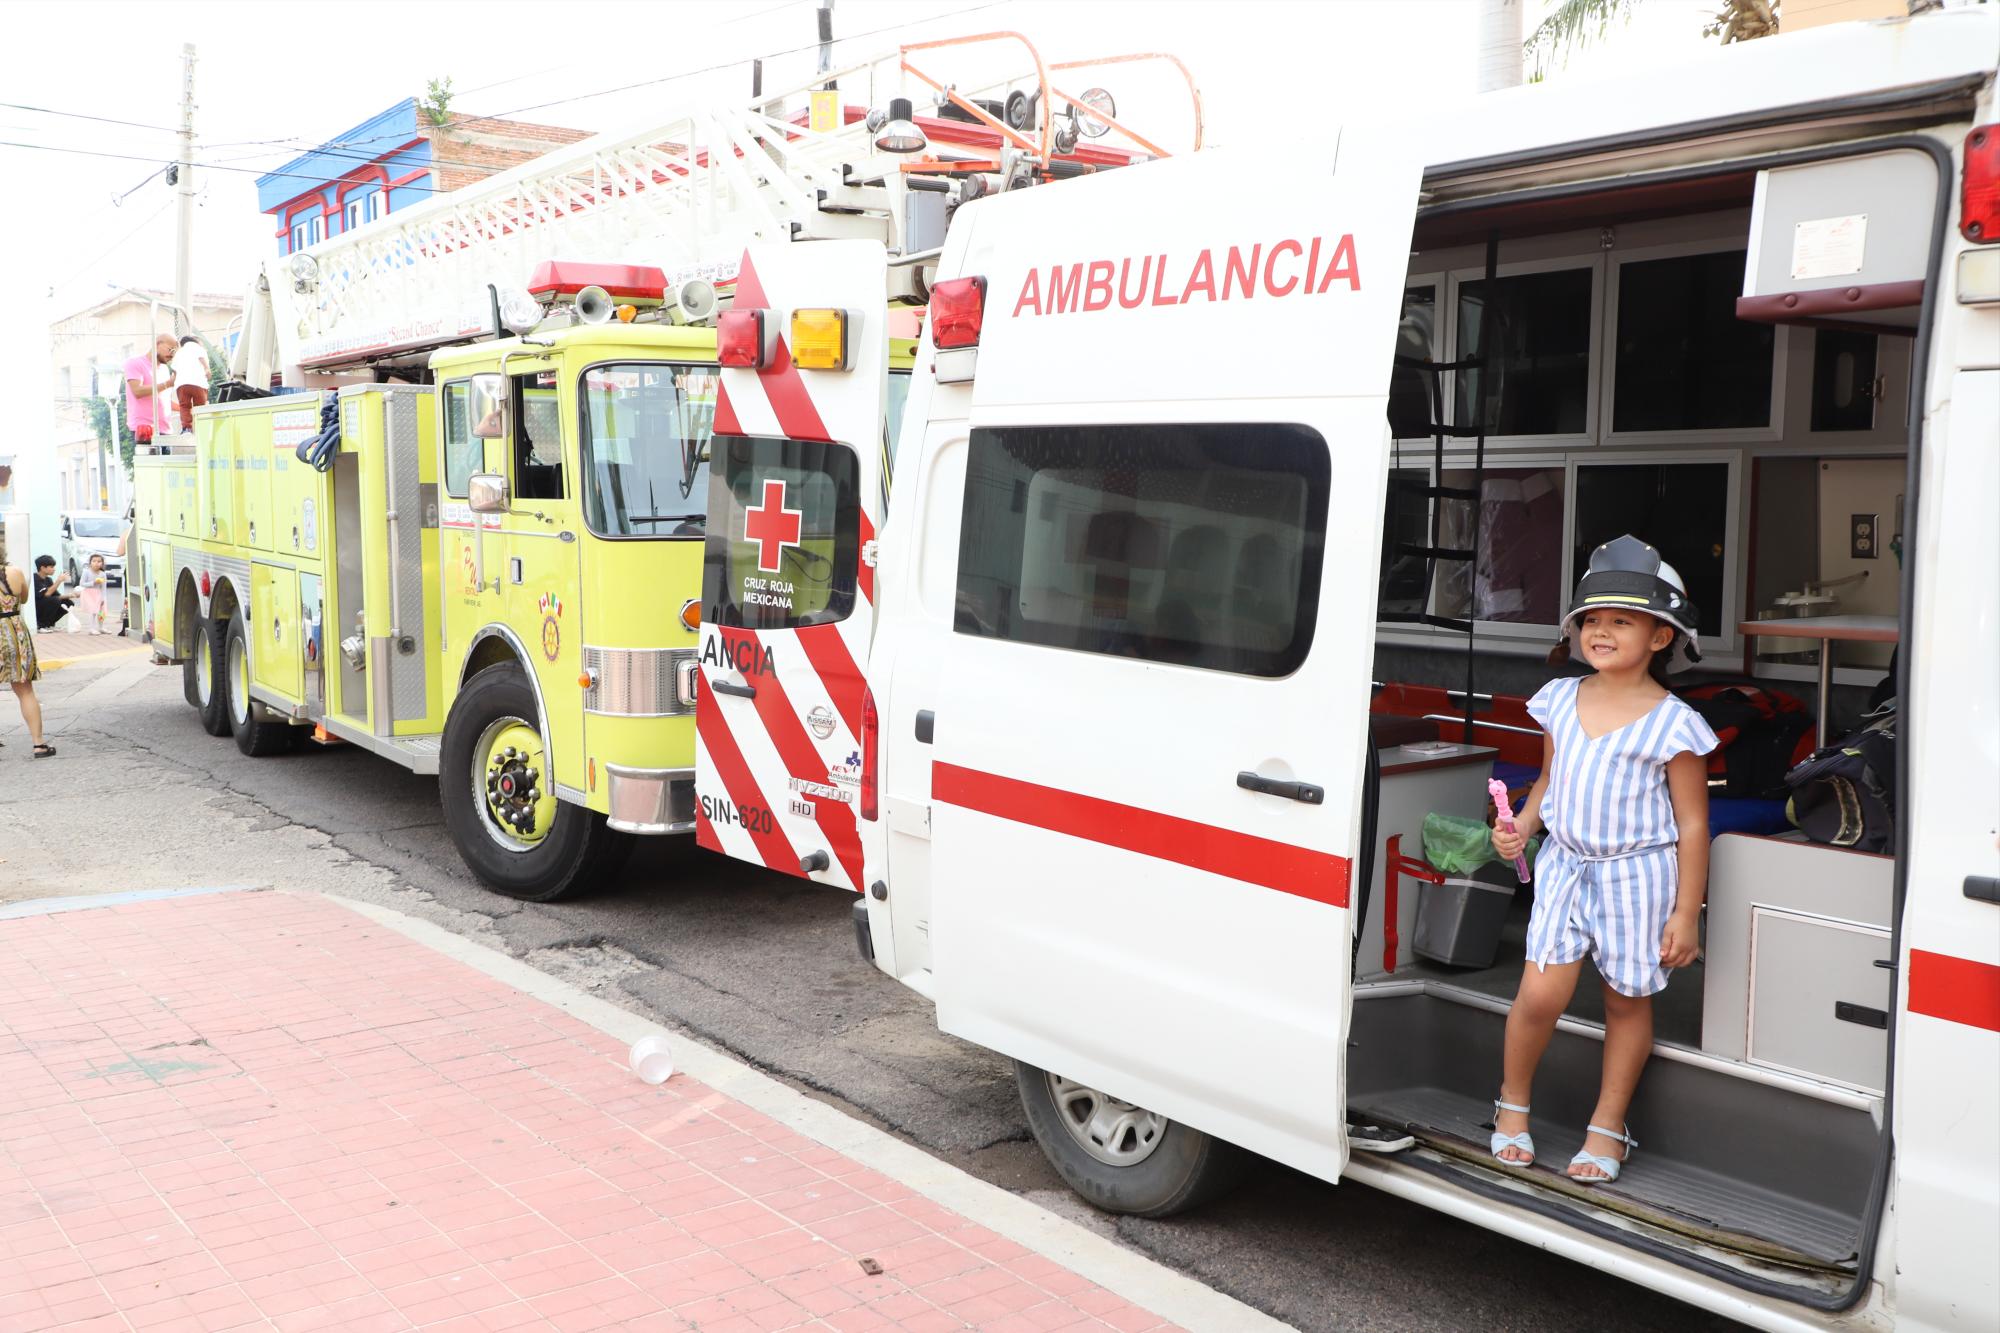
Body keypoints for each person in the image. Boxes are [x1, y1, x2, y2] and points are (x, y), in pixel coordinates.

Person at [1488, 535, 1718, 1183]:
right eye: (1592, 619)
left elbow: (1693, 825)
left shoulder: (1675, 723)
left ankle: (1607, 1125)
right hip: (1564, 865)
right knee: (1540, 994)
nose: (1601, 631)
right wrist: (1522, 826)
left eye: (1622, 620)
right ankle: (1511, 1105)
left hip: (1638, 875)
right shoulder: (1559, 698)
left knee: (1625, 1002)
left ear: (1661, 636)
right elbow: (1548, 781)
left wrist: (1687, 914)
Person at [3, 556, 55, 757]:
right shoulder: (14, 572)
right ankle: (39, 744)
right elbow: (23, 599)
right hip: (13, 630)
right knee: (25, 690)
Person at [124, 332, 179, 448]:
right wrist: (168, 384)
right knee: (151, 460)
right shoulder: (135, 363)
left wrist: (186, 408)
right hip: (145, 429)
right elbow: (137, 391)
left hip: (166, 430)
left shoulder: (164, 369)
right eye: (170, 350)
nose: (172, 355)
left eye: (175, 352)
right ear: (157, 344)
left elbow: (163, 400)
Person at [171, 335, 209, 433]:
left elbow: (174, 370)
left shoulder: (179, 352)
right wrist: (207, 369)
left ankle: (186, 428)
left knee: (184, 406)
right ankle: (201, 427)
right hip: (198, 383)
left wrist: (173, 382)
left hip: (182, 384)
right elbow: (201, 358)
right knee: (200, 406)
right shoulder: (198, 348)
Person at [32, 555, 77, 632]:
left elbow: (57, 596)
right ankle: (41, 625)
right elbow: (46, 594)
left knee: (68, 603)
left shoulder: (48, 580)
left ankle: (49, 624)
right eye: (51, 567)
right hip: (38, 607)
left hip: (47, 603)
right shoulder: (35, 578)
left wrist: (72, 595)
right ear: (42, 568)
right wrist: (59, 581)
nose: (54, 569)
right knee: (55, 600)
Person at [74, 553, 111, 635]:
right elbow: (82, 583)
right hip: (89, 594)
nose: (96, 563)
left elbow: (103, 587)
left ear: (102, 563)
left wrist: (103, 598)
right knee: (93, 611)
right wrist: (93, 582)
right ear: (90, 563)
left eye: (99, 561)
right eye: (94, 561)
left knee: (102, 612)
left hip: (99, 594)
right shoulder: (86, 572)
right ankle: (91, 628)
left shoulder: (102, 574)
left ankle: (101, 627)